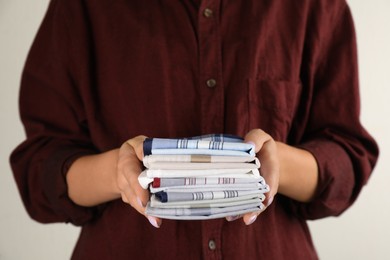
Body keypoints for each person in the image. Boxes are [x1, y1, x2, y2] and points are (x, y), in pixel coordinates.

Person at [10, 0, 378, 259]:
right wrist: (116, 173)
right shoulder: (85, 8)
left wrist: (279, 162)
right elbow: (40, 167)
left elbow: (346, 158)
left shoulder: (313, 6)